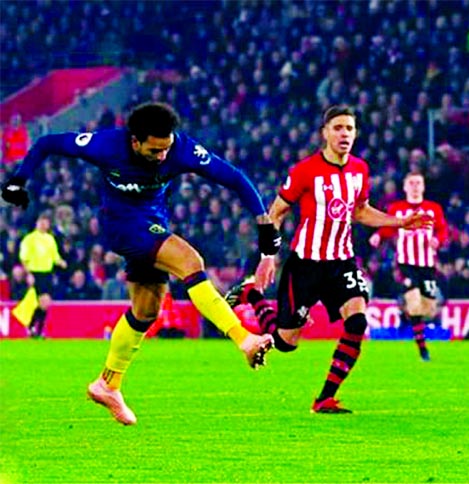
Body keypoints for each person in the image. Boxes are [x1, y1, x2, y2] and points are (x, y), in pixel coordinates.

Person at [1, 102, 279, 425]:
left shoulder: (181, 148)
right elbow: (49, 143)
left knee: (146, 309)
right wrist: (18, 180)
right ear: (135, 141)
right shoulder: (106, 145)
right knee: (190, 260)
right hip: (120, 224)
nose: (163, 156)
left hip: (153, 222)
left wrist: (263, 222)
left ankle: (108, 384)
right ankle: (244, 338)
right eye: (155, 149)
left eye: (166, 148)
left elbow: (233, 178)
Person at [225, 105, 431, 414]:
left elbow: (360, 211)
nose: (344, 134)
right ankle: (252, 295)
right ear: (325, 133)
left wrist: (398, 222)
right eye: (338, 128)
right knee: (285, 343)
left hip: (341, 262)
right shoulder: (305, 170)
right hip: (305, 264)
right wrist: (269, 256)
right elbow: (276, 212)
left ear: (356, 134)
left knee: (358, 321)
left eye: (349, 128)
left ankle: (324, 398)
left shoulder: (360, 170)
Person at [368, 171, 449, 361]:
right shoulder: (397, 209)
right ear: (404, 187)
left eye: (418, 183)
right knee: (413, 302)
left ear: (423, 187)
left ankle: (407, 319)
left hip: (427, 265)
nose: (414, 186)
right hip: (405, 264)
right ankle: (423, 349)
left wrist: (438, 240)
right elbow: (389, 226)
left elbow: (443, 229)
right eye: (411, 183)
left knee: (428, 308)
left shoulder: (433, 209)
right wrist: (379, 235)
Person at [17, 213, 67, 337]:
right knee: (43, 301)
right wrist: (28, 274)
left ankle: (34, 329)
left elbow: (54, 256)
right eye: (41, 221)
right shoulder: (30, 239)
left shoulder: (50, 239)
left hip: (47, 273)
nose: (44, 224)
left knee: (45, 303)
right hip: (35, 272)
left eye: (46, 222)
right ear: (37, 223)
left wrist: (61, 262)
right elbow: (24, 258)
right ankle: (35, 328)